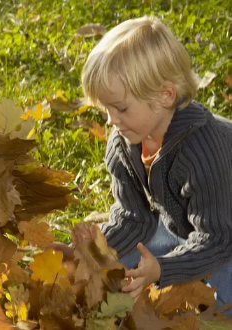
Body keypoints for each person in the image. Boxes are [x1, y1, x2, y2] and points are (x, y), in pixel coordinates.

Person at [81, 16, 232, 312]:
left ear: (165, 95)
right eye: (106, 109)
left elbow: (218, 238)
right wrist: (95, 254)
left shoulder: (205, 150)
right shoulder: (125, 141)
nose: (111, 120)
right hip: (181, 225)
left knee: (218, 305)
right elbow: (133, 217)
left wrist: (162, 268)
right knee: (115, 269)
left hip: (224, 232)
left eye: (121, 108)